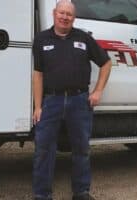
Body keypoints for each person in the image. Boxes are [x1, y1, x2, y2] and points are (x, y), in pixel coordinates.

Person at [32, 0, 112, 200]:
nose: (65, 17)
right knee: (44, 149)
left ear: (74, 18)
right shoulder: (41, 39)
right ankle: (42, 195)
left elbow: (106, 62)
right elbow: (38, 74)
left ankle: (81, 192)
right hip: (51, 101)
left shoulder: (84, 38)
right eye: (62, 13)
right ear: (54, 13)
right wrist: (38, 106)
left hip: (79, 101)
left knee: (81, 148)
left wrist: (98, 91)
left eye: (69, 14)